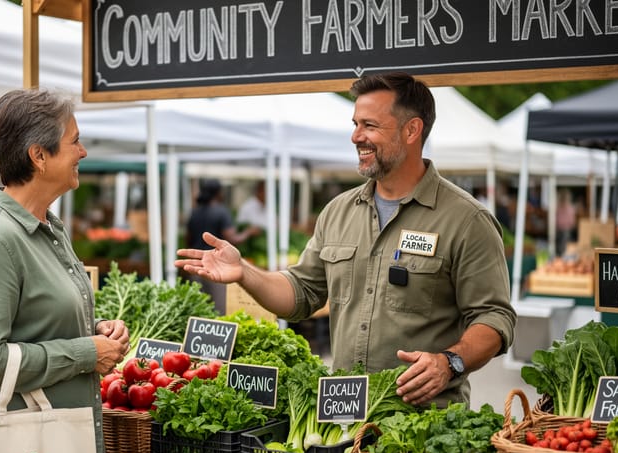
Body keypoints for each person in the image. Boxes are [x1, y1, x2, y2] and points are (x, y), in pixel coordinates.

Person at [176, 72, 516, 408]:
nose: (356, 137)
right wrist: (244, 272)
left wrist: (449, 362)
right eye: (355, 124)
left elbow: (494, 318)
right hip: (341, 416)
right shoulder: (338, 211)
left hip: (424, 423)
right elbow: (301, 293)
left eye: (369, 125)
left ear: (411, 130)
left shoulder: (467, 220)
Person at [0, 88, 131, 453]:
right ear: (39, 155)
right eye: (75, 141)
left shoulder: (50, 227)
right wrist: (85, 352)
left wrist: (96, 331)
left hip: (54, 445)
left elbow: (36, 322)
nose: (82, 152)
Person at [185, 178, 260, 313]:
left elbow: (188, 239)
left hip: (195, 266)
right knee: (219, 310)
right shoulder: (222, 212)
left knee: (197, 309)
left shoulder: (194, 212)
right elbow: (232, 239)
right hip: (215, 266)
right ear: (218, 193)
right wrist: (249, 232)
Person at [555, 188, 577, 255]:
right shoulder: (570, 208)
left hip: (562, 230)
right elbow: (572, 222)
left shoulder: (558, 207)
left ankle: (561, 255)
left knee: (561, 245)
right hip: (564, 230)